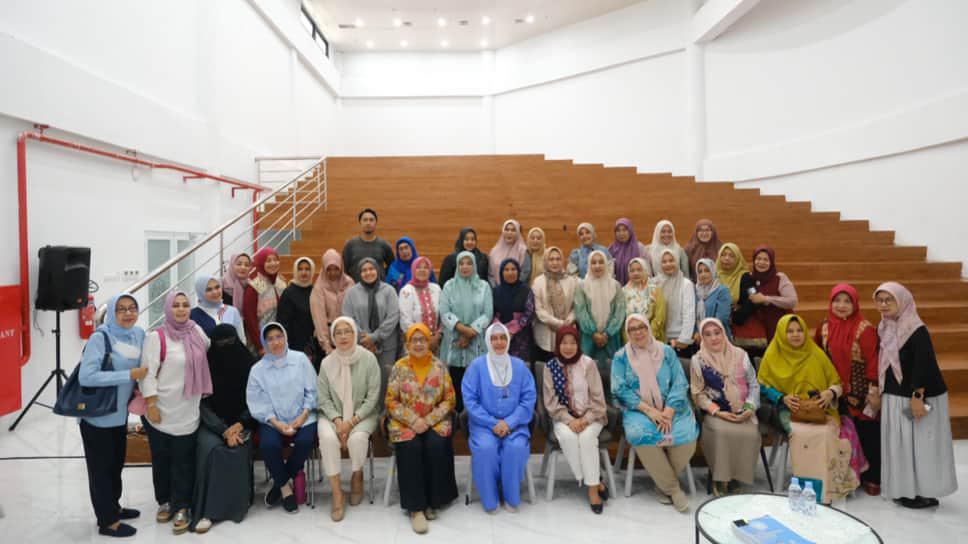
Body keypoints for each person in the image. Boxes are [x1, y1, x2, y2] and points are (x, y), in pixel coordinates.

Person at [757, 314, 859, 504]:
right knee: (799, 434)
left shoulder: (816, 353)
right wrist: (781, 397)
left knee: (825, 433)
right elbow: (762, 385)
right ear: (781, 333)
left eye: (799, 330)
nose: (795, 335)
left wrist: (830, 393)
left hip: (820, 410)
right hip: (790, 409)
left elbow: (837, 383)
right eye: (789, 331)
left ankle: (826, 490)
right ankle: (805, 488)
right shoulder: (772, 354)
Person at [873, 282, 957, 509]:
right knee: (901, 446)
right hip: (894, 396)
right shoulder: (883, 327)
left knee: (921, 447)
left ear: (902, 301)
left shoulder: (915, 329)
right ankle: (905, 491)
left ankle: (922, 490)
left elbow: (924, 364)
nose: (883, 305)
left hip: (918, 396)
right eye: (879, 300)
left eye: (889, 300)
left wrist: (917, 398)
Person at [140, 291, 212, 534]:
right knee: (162, 459)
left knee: (184, 460)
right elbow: (147, 374)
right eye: (176, 305)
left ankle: (182, 505)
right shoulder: (156, 337)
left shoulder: (196, 332)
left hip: (188, 408)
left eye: (185, 305)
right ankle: (165, 501)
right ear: (168, 309)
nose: (181, 309)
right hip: (160, 409)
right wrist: (151, 404)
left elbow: (207, 350)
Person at [78, 293, 148, 538]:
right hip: (97, 417)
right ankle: (107, 521)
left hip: (119, 415)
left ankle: (113, 506)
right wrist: (128, 375)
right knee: (101, 469)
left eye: (132, 308)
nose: (128, 313)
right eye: (121, 309)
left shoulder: (138, 334)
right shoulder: (101, 337)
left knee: (116, 464)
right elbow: (87, 377)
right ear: (112, 313)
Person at [611, 314, 698, 512]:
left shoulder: (666, 351)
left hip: (672, 407)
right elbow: (619, 389)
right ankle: (673, 489)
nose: (638, 332)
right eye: (632, 329)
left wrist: (668, 411)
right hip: (639, 410)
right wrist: (650, 411)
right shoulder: (621, 357)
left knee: (687, 435)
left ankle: (662, 485)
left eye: (641, 327)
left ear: (648, 328)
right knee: (639, 434)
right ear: (627, 333)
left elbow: (679, 382)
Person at [386, 324, 459, 534]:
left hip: (434, 421)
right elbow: (391, 401)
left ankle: (433, 501)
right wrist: (413, 421)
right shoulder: (399, 367)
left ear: (429, 342)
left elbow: (450, 399)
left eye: (423, 340)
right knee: (411, 446)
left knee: (435, 444)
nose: (418, 344)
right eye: (414, 340)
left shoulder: (439, 366)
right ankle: (416, 508)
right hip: (405, 422)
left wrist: (428, 420)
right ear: (407, 344)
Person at [463, 323, 537, 513]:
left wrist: (509, 422)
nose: (499, 342)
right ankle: (490, 498)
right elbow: (470, 401)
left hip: (515, 425)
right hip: (483, 425)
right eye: (494, 338)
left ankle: (510, 495)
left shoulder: (520, 366)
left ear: (508, 340)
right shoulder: (476, 367)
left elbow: (528, 399)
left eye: (503, 338)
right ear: (488, 341)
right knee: (486, 449)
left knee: (515, 448)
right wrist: (493, 422)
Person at [815, 284, 881, 495]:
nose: (841, 305)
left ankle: (874, 477)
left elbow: (873, 362)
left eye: (847, 301)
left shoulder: (865, 329)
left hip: (861, 392)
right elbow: (817, 355)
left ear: (855, 304)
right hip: (834, 390)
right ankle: (849, 475)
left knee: (867, 433)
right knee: (844, 433)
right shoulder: (824, 327)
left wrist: (874, 392)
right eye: (837, 300)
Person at [190, 324, 257, 533]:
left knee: (236, 450)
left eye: (230, 341)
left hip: (243, 422)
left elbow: (257, 401)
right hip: (212, 425)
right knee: (211, 450)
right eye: (220, 343)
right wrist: (223, 430)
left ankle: (234, 506)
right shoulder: (205, 368)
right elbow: (201, 403)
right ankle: (207, 511)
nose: (225, 346)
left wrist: (240, 424)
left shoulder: (250, 365)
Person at [246, 322, 318, 514]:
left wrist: (303, 415)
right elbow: (257, 401)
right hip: (272, 419)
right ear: (264, 343)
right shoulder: (257, 370)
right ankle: (286, 488)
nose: (275, 342)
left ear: (285, 337)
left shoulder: (300, 360)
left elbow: (312, 390)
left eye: (279, 337)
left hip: (303, 415)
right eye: (270, 339)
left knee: (305, 441)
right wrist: (276, 422)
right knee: (268, 445)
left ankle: (279, 483)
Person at [316, 317, 381, 521]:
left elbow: (373, 397)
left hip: (363, 414)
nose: (343, 336)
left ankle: (357, 474)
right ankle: (337, 492)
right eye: (338, 333)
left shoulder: (369, 359)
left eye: (348, 331)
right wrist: (338, 421)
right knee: (327, 439)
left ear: (355, 334)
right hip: (332, 415)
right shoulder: (327, 363)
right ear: (333, 337)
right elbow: (323, 398)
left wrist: (351, 423)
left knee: (357, 439)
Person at [542, 325, 609, 513]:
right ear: (557, 344)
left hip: (592, 415)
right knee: (568, 437)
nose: (568, 347)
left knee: (587, 438)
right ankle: (595, 482)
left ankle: (592, 491)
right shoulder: (550, 367)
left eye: (573, 343)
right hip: (563, 417)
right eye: (564, 343)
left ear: (578, 344)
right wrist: (569, 420)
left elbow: (598, 400)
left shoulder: (588, 364)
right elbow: (551, 402)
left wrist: (584, 420)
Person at [689, 318, 760, 496]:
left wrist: (749, 408)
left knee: (750, 433)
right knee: (721, 432)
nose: (714, 338)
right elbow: (698, 394)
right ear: (702, 338)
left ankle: (735, 477)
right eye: (708, 334)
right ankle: (720, 478)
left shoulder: (741, 355)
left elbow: (754, 385)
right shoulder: (698, 360)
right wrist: (718, 412)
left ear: (724, 333)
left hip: (743, 411)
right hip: (716, 413)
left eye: (717, 332)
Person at [439, 251, 493, 413]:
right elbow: (445, 312)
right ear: (457, 266)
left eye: (469, 263)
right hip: (454, 342)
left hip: (476, 343)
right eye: (461, 263)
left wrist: (471, 332)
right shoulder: (449, 286)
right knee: (455, 383)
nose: (465, 266)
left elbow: (487, 313)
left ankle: (474, 418)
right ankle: (457, 418)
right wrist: (463, 330)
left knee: (476, 383)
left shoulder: (483, 286)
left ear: (474, 265)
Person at [573, 250, 625, 396]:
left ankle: (613, 402)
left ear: (606, 265)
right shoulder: (582, 286)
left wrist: (607, 333)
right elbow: (580, 311)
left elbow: (620, 312)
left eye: (601, 262)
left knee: (613, 373)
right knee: (587, 373)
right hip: (588, 339)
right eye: (593, 263)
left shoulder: (615, 286)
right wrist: (593, 333)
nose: (597, 266)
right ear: (589, 265)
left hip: (611, 338)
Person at [340, 258, 401, 376]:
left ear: (377, 270)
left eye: (371, 269)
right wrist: (364, 338)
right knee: (363, 379)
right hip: (361, 345)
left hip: (386, 345)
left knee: (385, 379)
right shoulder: (351, 293)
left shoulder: (389, 290)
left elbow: (393, 316)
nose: (368, 273)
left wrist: (374, 336)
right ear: (359, 273)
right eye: (364, 270)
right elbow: (348, 317)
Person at [732, 246, 798, 353]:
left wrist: (767, 299)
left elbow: (792, 301)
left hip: (780, 323)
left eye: (766, 260)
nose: (761, 262)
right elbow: (750, 298)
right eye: (758, 259)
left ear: (771, 262)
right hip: (760, 327)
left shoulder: (779, 277)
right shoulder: (749, 278)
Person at [532, 247, 579, 363]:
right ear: (545, 261)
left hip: (568, 332)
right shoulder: (538, 282)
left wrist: (569, 320)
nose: (555, 263)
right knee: (549, 368)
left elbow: (577, 305)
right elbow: (539, 310)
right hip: (546, 333)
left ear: (562, 261)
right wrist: (559, 324)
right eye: (551, 259)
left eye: (558, 259)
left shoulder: (571, 281)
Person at [649, 249, 695, 357]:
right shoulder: (653, 284)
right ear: (659, 264)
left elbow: (689, 314)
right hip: (657, 338)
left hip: (678, 339)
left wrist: (683, 340)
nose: (668, 264)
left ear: (677, 261)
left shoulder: (686, 284)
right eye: (664, 261)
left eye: (671, 260)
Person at [310, 249, 354, 357]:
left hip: (348, 338)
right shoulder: (319, 288)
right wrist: (326, 346)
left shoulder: (349, 283)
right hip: (328, 341)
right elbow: (319, 319)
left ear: (341, 267)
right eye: (328, 269)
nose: (332, 273)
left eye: (336, 268)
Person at [242, 248, 287, 355]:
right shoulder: (255, 285)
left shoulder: (281, 282)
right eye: (268, 260)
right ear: (261, 263)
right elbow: (250, 318)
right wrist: (260, 346)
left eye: (275, 260)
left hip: (280, 340)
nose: (273, 263)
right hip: (262, 342)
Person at [491, 258, 535, 366]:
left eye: (513, 269)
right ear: (501, 272)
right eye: (506, 269)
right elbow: (492, 312)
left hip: (521, 338)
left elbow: (529, 312)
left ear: (518, 271)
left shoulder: (526, 290)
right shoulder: (496, 291)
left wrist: (512, 330)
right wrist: (501, 329)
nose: (510, 272)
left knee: (519, 367)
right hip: (500, 336)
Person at [398, 256, 443, 354]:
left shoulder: (436, 289)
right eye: (418, 267)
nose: (422, 270)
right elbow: (405, 321)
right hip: (415, 343)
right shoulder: (406, 291)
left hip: (435, 343)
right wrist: (423, 340)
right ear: (413, 270)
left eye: (425, 267)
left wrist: (437, 337)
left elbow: (443, 315)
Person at [342, 208, 394, 281]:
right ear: (360, 222)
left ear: (375, 223)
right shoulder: (350, 245)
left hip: (378, 287)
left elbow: (392, 266)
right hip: (356, 286)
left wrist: (382, 275)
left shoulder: (384, 244)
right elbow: (344, 268)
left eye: (371, 220)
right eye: (365, 220)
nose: (368, 223)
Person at [623, 257, 666, 343]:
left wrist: (647, 335)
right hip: (631, 340)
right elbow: (623, 320)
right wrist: (630, 338)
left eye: (639, 270)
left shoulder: (655, 290)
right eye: (632, 271)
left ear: (646, 270)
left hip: (652, 338)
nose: (636, 273)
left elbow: (659, 316)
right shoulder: (623, 292)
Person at [191, 275, 245, 341]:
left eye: (217, 287)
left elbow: (241, 339)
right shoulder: (193, 315)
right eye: (209, 289)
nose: (215, 292)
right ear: (201, 293)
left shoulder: (232, 311)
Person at [693, 259, 732, 341]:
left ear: (713, 271)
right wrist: (696, 332)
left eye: (707, 270)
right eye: (700, 272)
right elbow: (693, 316)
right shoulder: (696, 291)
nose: (703, 274)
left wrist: (704, 333)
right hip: (699, 338)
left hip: (718, 337)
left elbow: (721, 318)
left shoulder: (722, 291)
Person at [488, 219, 528, 287]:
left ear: (518, 233)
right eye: (507, 229)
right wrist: (496, 289)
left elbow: (525, 272)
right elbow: (490, 274)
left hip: (517, 289)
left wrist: (512, 288)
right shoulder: (494, 251)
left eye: (513, 230)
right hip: (497, 290)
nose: (509, 232)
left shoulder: (523, 251)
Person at [608, 217, 647, 286]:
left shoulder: (640, 248)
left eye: (624, 230)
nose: (621, 233)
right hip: (617, 288)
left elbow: (647, 270)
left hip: (639, 287)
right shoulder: (612, 249)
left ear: (630, 230)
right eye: (618, 230)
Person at [714, 242, 747, 306]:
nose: (727, 258)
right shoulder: (713, 275)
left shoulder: (745, 277)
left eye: (731, 256)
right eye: (723, 255)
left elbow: (749, 301)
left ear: (737, 258)